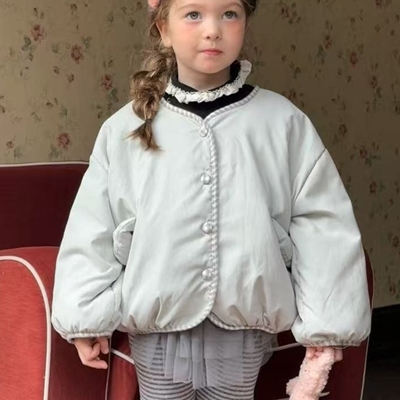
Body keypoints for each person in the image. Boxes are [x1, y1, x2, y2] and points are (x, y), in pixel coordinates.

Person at [51, 0, 371, 399]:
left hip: (243, 329)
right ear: (163, 29)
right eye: (193, 14)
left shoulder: (283, 122)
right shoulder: (125, 129)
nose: (213, 29)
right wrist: (86, 315)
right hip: (157, 329)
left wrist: (327, 324)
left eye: (229, 14)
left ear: (245, 23)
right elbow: (94, 225)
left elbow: (322, 222)